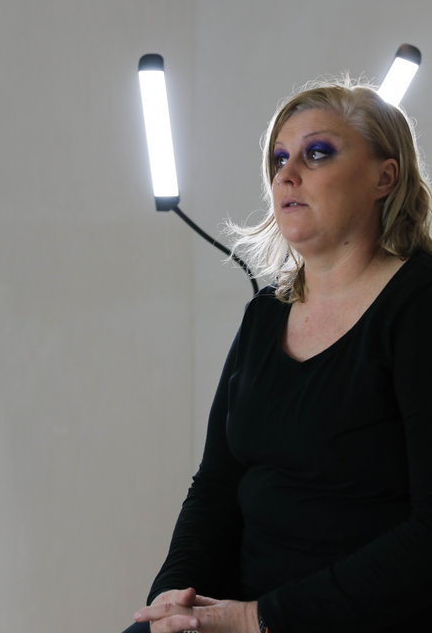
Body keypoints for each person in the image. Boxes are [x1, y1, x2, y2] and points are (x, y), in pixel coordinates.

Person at [122, 78, 432, 633]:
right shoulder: (266, 313)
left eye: (317, 153)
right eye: (279, 159)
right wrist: (174, 595)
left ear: (384, 177)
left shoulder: (419, 305)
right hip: (240, 607)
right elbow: (216, 481)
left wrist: (258, 620)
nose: (287, 175)